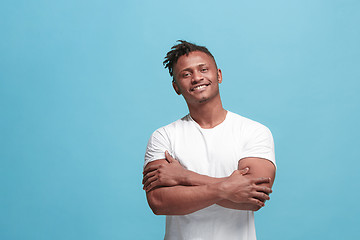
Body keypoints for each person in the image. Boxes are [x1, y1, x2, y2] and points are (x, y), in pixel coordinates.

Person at [142, 40, 276, 240]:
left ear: (219, 75)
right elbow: (159, 203)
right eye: (186, 74)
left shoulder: (254, 131)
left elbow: (252, 199)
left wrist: (184, 177)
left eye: (203, 69)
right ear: (176, 87)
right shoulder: (164, 137)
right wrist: (229, 188)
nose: (196, 78)